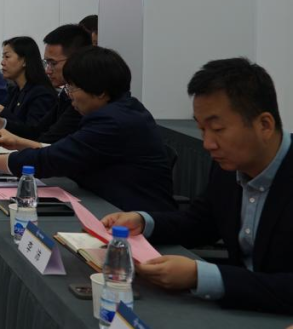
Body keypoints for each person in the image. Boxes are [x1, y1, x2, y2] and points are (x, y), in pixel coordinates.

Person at [102, 58, 293, 314]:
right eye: (202, 130)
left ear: (264, 125)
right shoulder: (228, 167)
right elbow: (199, 223)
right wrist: (144, 222)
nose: (208, 144)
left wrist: (201, 276)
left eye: (218, 129)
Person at [0, 47, 175, 213]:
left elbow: (55, 159)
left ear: (100, 91)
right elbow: (72, 150)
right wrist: (21, 143)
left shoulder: (112, 121)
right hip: (107, 203)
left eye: (73, 88)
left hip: (131, 216)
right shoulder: (125, 108)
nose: (69, 95)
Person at [0, 24, 92, 146]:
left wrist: (3, 115)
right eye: (47, 63)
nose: (48, 70)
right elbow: (38, 131)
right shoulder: (64, 94)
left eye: (53, 63)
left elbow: (48, 140)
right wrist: (0, 123)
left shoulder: (46, 93)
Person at [0, 36, 56, 128]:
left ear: (24, 61)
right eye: (3, 57)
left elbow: (33, 131)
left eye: (7, 57)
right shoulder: (15, 90)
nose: (2, 62)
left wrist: (2, 111)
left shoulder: (41, 93)